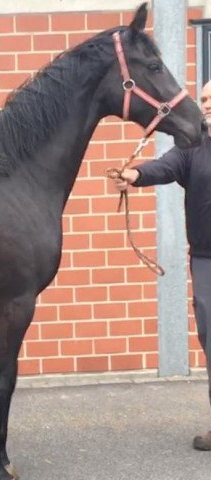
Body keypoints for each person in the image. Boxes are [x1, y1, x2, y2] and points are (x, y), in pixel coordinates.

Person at [110, 79, 211, 451]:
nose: (207, 104)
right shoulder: (192, 148)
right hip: (206, 262)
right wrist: (132, 175)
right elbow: (160, 168)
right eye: (203, 99)